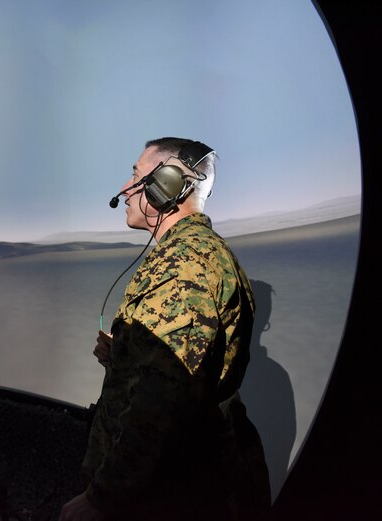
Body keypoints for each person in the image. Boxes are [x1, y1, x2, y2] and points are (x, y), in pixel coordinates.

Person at [60, 137, 270, 520]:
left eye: (136, 176)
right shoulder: (194, 253)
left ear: (167, 185)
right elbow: (178, 371)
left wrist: (101, 499)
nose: (124, 189)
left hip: (160, 496)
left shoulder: (183, 265)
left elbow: (161, 406)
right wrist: (125, 354)